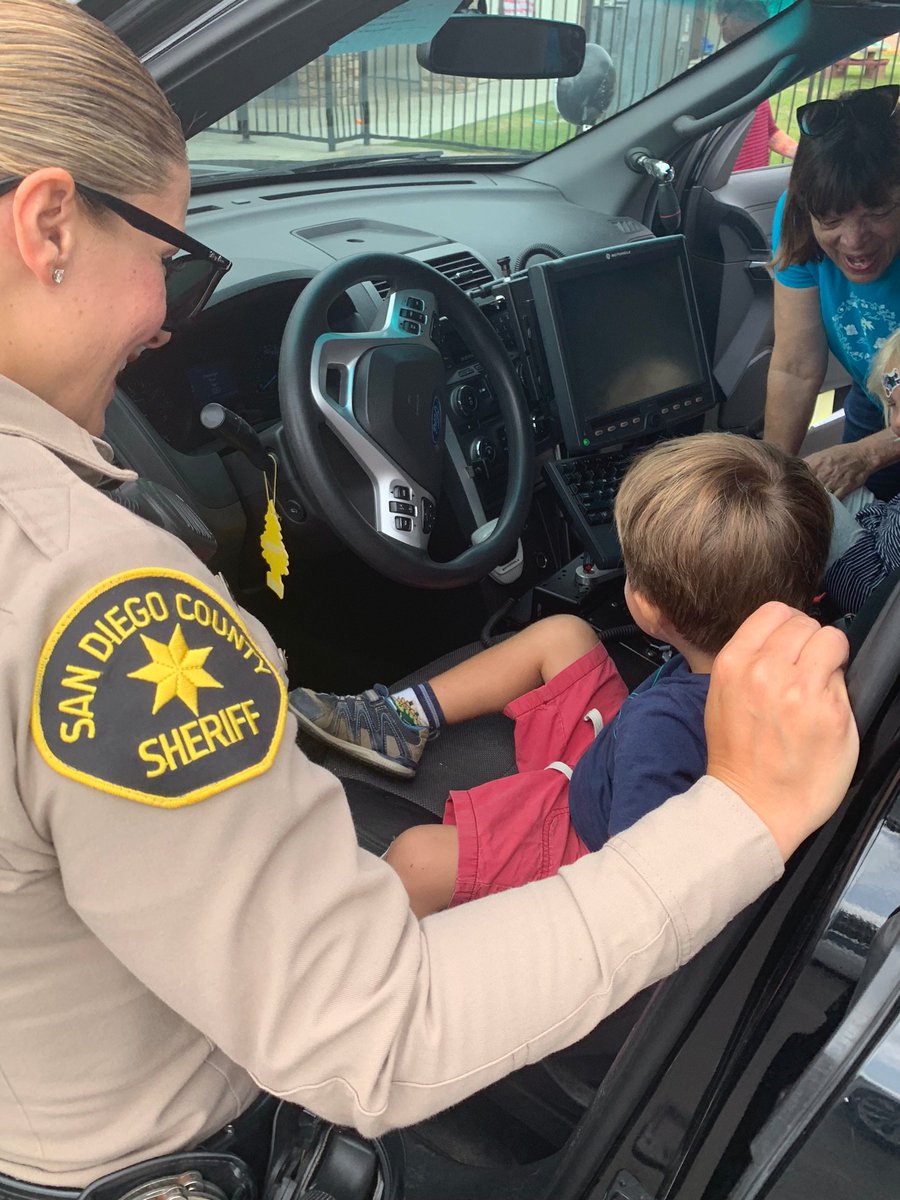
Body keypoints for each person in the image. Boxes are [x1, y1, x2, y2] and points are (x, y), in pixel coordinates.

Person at [0, 0, 858, 1189]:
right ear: (48, 223)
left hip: (90, 1119)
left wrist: (733, 815)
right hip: (169, 1143)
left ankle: (391, 715)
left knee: (423, 840)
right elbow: (371, 1031)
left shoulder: (73, 577)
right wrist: (749, 810)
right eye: (172, 263)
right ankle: (390, 714)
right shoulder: (82, 588)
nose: (163, 321)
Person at [292, 434, 832, 917]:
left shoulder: (661, 730)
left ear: (647, 610)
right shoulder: (780, 667)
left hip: (588, 842)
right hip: (614, 759)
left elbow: (639, 885)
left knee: (418, 859)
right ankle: (403, 720)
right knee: (565, 635)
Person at [764, 84, 900, 501]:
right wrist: (769, 479)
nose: (854, 242)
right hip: (876, 403)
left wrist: (869, 453)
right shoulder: (797, 216)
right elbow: (795, 367)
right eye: (831, 221)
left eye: (877, 213)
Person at [825, 327, 900, 611]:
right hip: (882, 534)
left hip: (869, 591)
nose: (896, 423)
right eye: (892, 405)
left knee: (805, 495)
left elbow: (877, 596)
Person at [715, 0, 797, 171]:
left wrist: (803, 155)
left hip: (752, 181)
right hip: (729, 184)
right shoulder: (715, 84)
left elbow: (770, 132)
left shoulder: (755, 79)